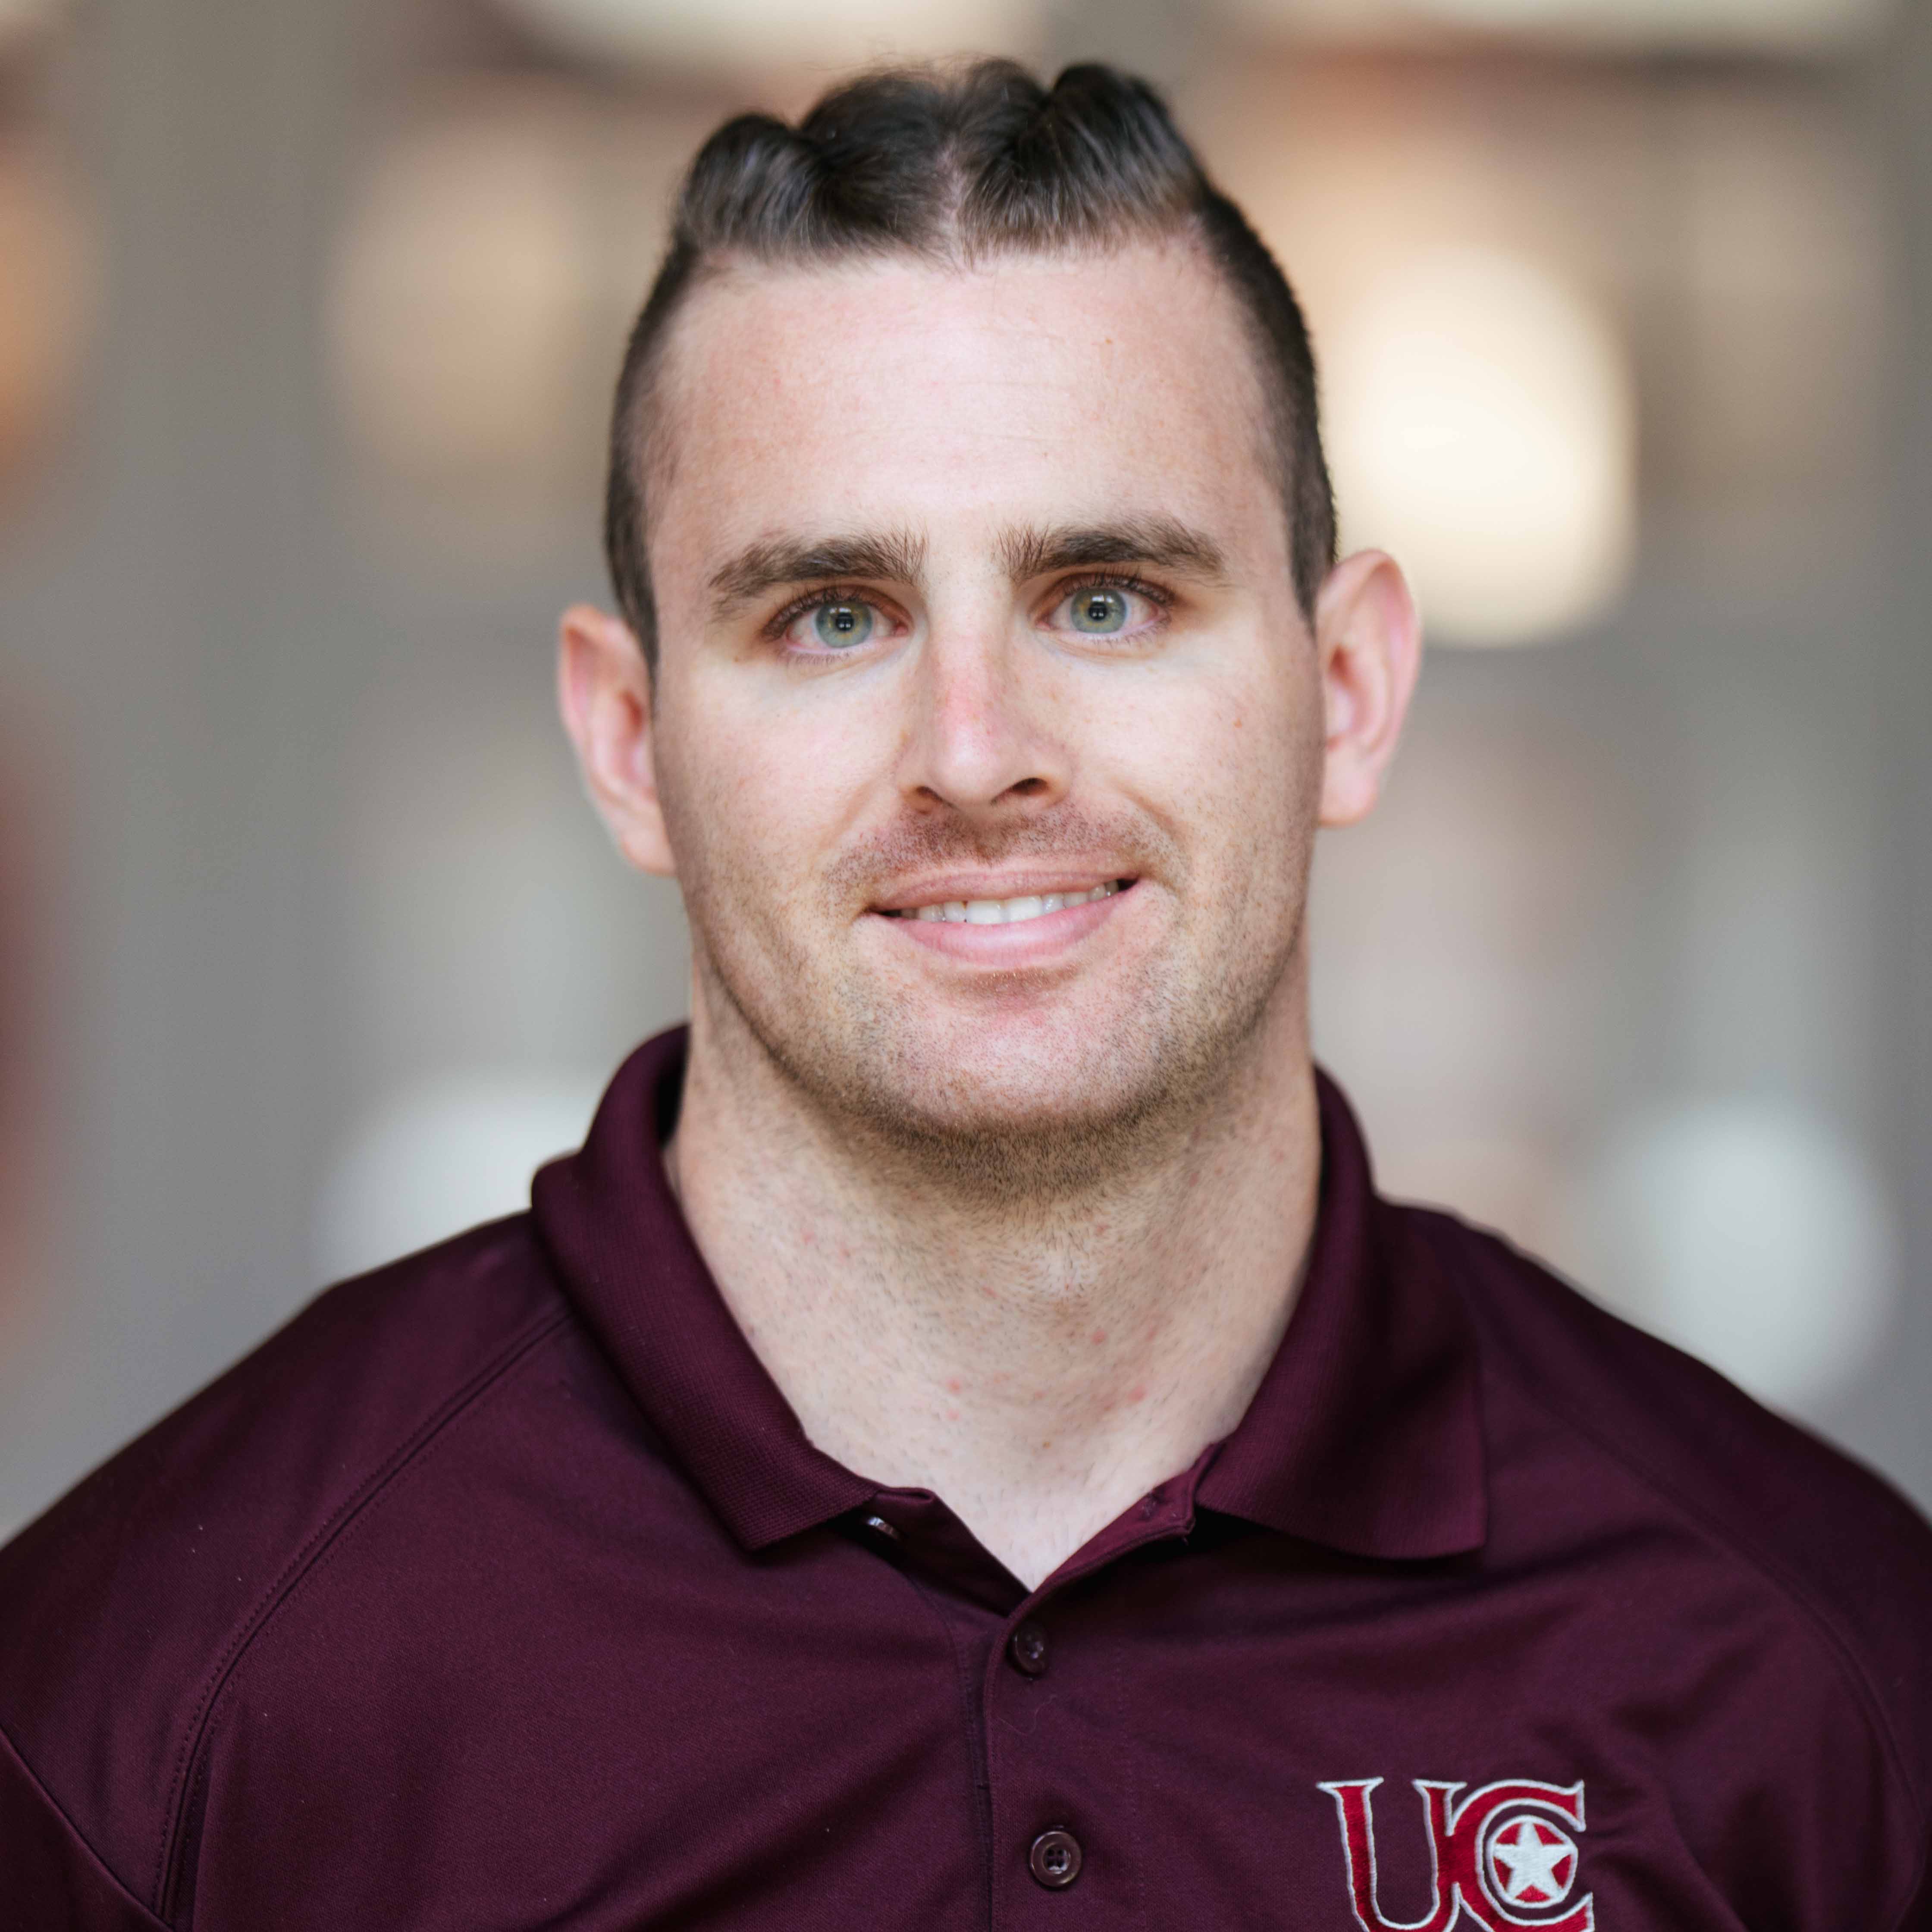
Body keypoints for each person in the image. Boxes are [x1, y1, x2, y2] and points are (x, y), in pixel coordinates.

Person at [2, 59, 1928, 1932]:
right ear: (626, 738)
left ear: (1347, 691)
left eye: (1107, 597)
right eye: (832, 616)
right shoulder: (141, 1717)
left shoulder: (1825, 1677)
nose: (977, 750)